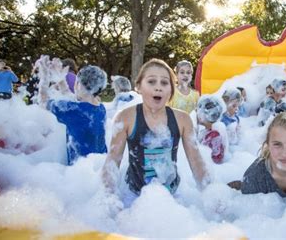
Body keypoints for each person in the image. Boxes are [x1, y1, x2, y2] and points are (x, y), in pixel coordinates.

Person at [102, 58, 209, 203]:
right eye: (151, 81)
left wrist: (210, 192)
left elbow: (196, 161)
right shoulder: (126, 117)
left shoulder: (182, 119)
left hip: (171, 195)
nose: (158, 87)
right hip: (134, 194)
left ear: (171, 89)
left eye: (164, 83)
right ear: (138, 86)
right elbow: (113, 161)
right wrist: (108, 197)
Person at [36, 55, 108, 165]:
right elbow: (71, 99)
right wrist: (60, 80)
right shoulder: (100, 108)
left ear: (78, 84)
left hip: (79, 172)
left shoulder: (75, 111)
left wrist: (44, 77)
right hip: (98, 166)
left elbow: (42, 102)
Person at [196, 95, 228, 164]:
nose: (197, 113)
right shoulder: (206, 131)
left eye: (198, 110)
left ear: (206, 115)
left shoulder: (214, 136)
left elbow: (216, 160)